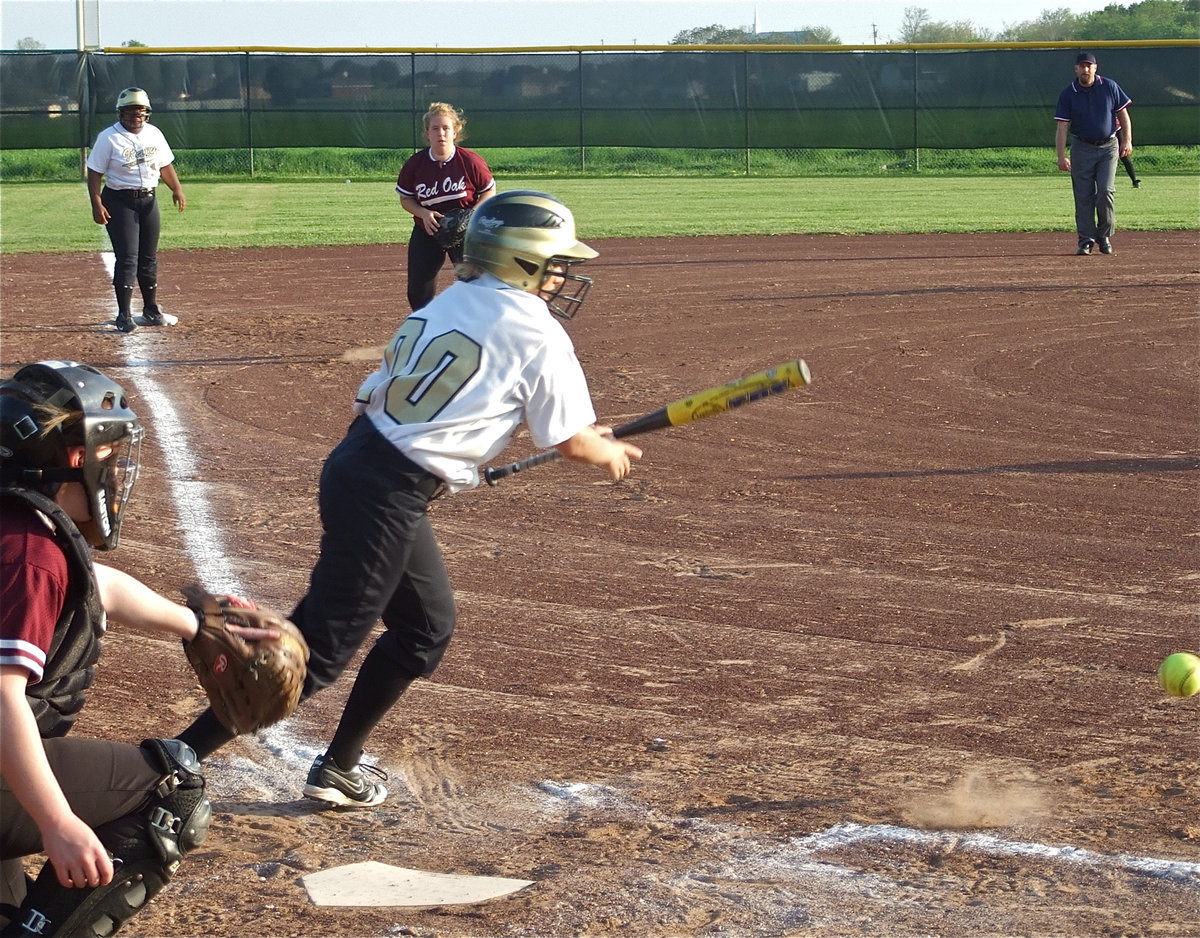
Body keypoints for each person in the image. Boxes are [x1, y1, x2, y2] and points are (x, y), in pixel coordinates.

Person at [176, 190, 643, 808]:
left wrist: (447, 460)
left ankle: (338, 768)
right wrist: (604, 451)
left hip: (363, 465)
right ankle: (171, 763)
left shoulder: (450, 300)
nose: (562, 275)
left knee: (424, 629)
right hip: (386, 492)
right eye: (554, 262)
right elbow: (573, 444)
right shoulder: (540, 331)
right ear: (521, 263)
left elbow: (386, 396)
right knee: (316, 652)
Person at [0, 361, 275, 936]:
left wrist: (194, 625)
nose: (117, 469)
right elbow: (2, 701)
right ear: (72, 459)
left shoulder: (17, 528)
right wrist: (56, 823)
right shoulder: (28, 555)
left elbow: (94, 587)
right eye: (108, 452)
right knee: (167, 788)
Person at [86, 87, 186, 334]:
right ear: (121, 113)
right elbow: (95, 172)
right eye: (129, 112)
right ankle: (123, 315)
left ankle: (151, 310)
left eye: (139, 111)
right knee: (128, 257)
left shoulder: (154, 134)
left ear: (147, 112)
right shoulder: (109, 138)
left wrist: (177, 189)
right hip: (119, 201)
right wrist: (96, 203)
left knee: (149, 257)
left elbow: (165, 165)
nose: (135, 116)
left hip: (148, 200)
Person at [395, 101, 496, 311]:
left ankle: (475, 326)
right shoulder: (415, 165)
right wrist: (423, 213)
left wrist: (472, 215)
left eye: (446, 128)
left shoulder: (470, 160)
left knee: (474, 283)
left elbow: (489, 191)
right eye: (435, 128)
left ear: (455, 132)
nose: (440, 133)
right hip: (428, 230)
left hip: (464, 231)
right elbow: (406, 199)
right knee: (418, 290)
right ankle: (427, 328)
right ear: (427, 133)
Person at [1054, 52, 1132, 256]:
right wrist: (1061, 156)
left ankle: (1104, 235)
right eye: (1082, 66)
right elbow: (1062, 127)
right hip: (1081, 147)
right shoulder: (1068, 93)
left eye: (1089, 66)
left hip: (1108, 146)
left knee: (1105, 191)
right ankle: (1086, 240)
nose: (1085, 69)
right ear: (1076, 69)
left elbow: (1123, 113)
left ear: (1095, 68)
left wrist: (1128, 140)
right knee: (1083, 196)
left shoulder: (1109, 86)